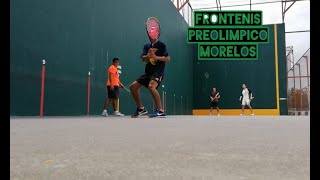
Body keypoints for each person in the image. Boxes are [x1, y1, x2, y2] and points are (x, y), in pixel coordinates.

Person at [129, 26, 171, 118]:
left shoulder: (162, 45)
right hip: (148, 73)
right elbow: (143, 59)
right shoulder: (146, 46)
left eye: (155, 32)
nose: (153, 34)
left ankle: (160, 110)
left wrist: (156, 57)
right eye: (151, 32)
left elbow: (167, 58)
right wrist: (148, 56)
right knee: (133, 87)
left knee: (151, 86)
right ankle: (141, 109)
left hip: (158, 72)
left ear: (158, 33)